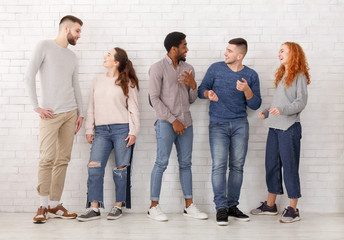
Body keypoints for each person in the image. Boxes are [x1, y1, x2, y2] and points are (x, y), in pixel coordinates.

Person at [25, 15, 84, 224]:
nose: (79, 36)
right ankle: (42, 204)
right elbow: (29, 75)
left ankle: (54, 204)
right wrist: (36, 106)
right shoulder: (44, 46)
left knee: (63, 160)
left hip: (70, 113)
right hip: (50, 114)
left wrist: (81, 113)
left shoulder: (72, 57)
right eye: (77, 31)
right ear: (66, 28)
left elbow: (75, 86)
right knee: (47, 159)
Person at [198, 38, 262, 226]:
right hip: (218, 124)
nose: (225, 53)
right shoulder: (215, 68)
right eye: (226, 50)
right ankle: (221, 208)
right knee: (219, 166)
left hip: (240, 124)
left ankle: (232, 205)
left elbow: (255, 104)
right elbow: (202, 88)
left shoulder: (250, 75)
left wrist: (247, 90)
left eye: (229, 51)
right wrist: (207, 93)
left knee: (237, 167)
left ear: (239, 56)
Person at [147, 32, 208, 221]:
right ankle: (153, 207)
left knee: (186, 164)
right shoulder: (157, 68)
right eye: (184, 46)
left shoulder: (188, 68)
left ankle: (189, 206)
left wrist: (193, 85)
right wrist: (173, 120)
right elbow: (154, 99)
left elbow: (190, 99)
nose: (187, 49)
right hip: (166, 124)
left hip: (187, 124)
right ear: (174, 48)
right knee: (161, 163)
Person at [77, 47, 140, 222]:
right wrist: (89, 129)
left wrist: (133, 131)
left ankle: (118, 206)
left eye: (109, 55)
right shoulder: (97, 80)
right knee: (94, 167)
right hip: (102, 132)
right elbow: (92, 107)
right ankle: (94, 208)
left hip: (123, 130)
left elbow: (134, 108)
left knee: (121, 169)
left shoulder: (128, 81)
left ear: (116, 62)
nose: (105, 56)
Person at [251, 42, 310, 223]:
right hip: (274, 128)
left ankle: (293, 209)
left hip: (289, 128)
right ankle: (271, 205)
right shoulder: (283, 75)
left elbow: (301, 102)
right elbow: (279, 104)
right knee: (272, 166)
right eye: (279, 51)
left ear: (294, 54)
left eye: (283, 51)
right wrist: (268, 111)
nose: (279, 54)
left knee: (290, 168)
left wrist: (282, 110)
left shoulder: (299, 75)